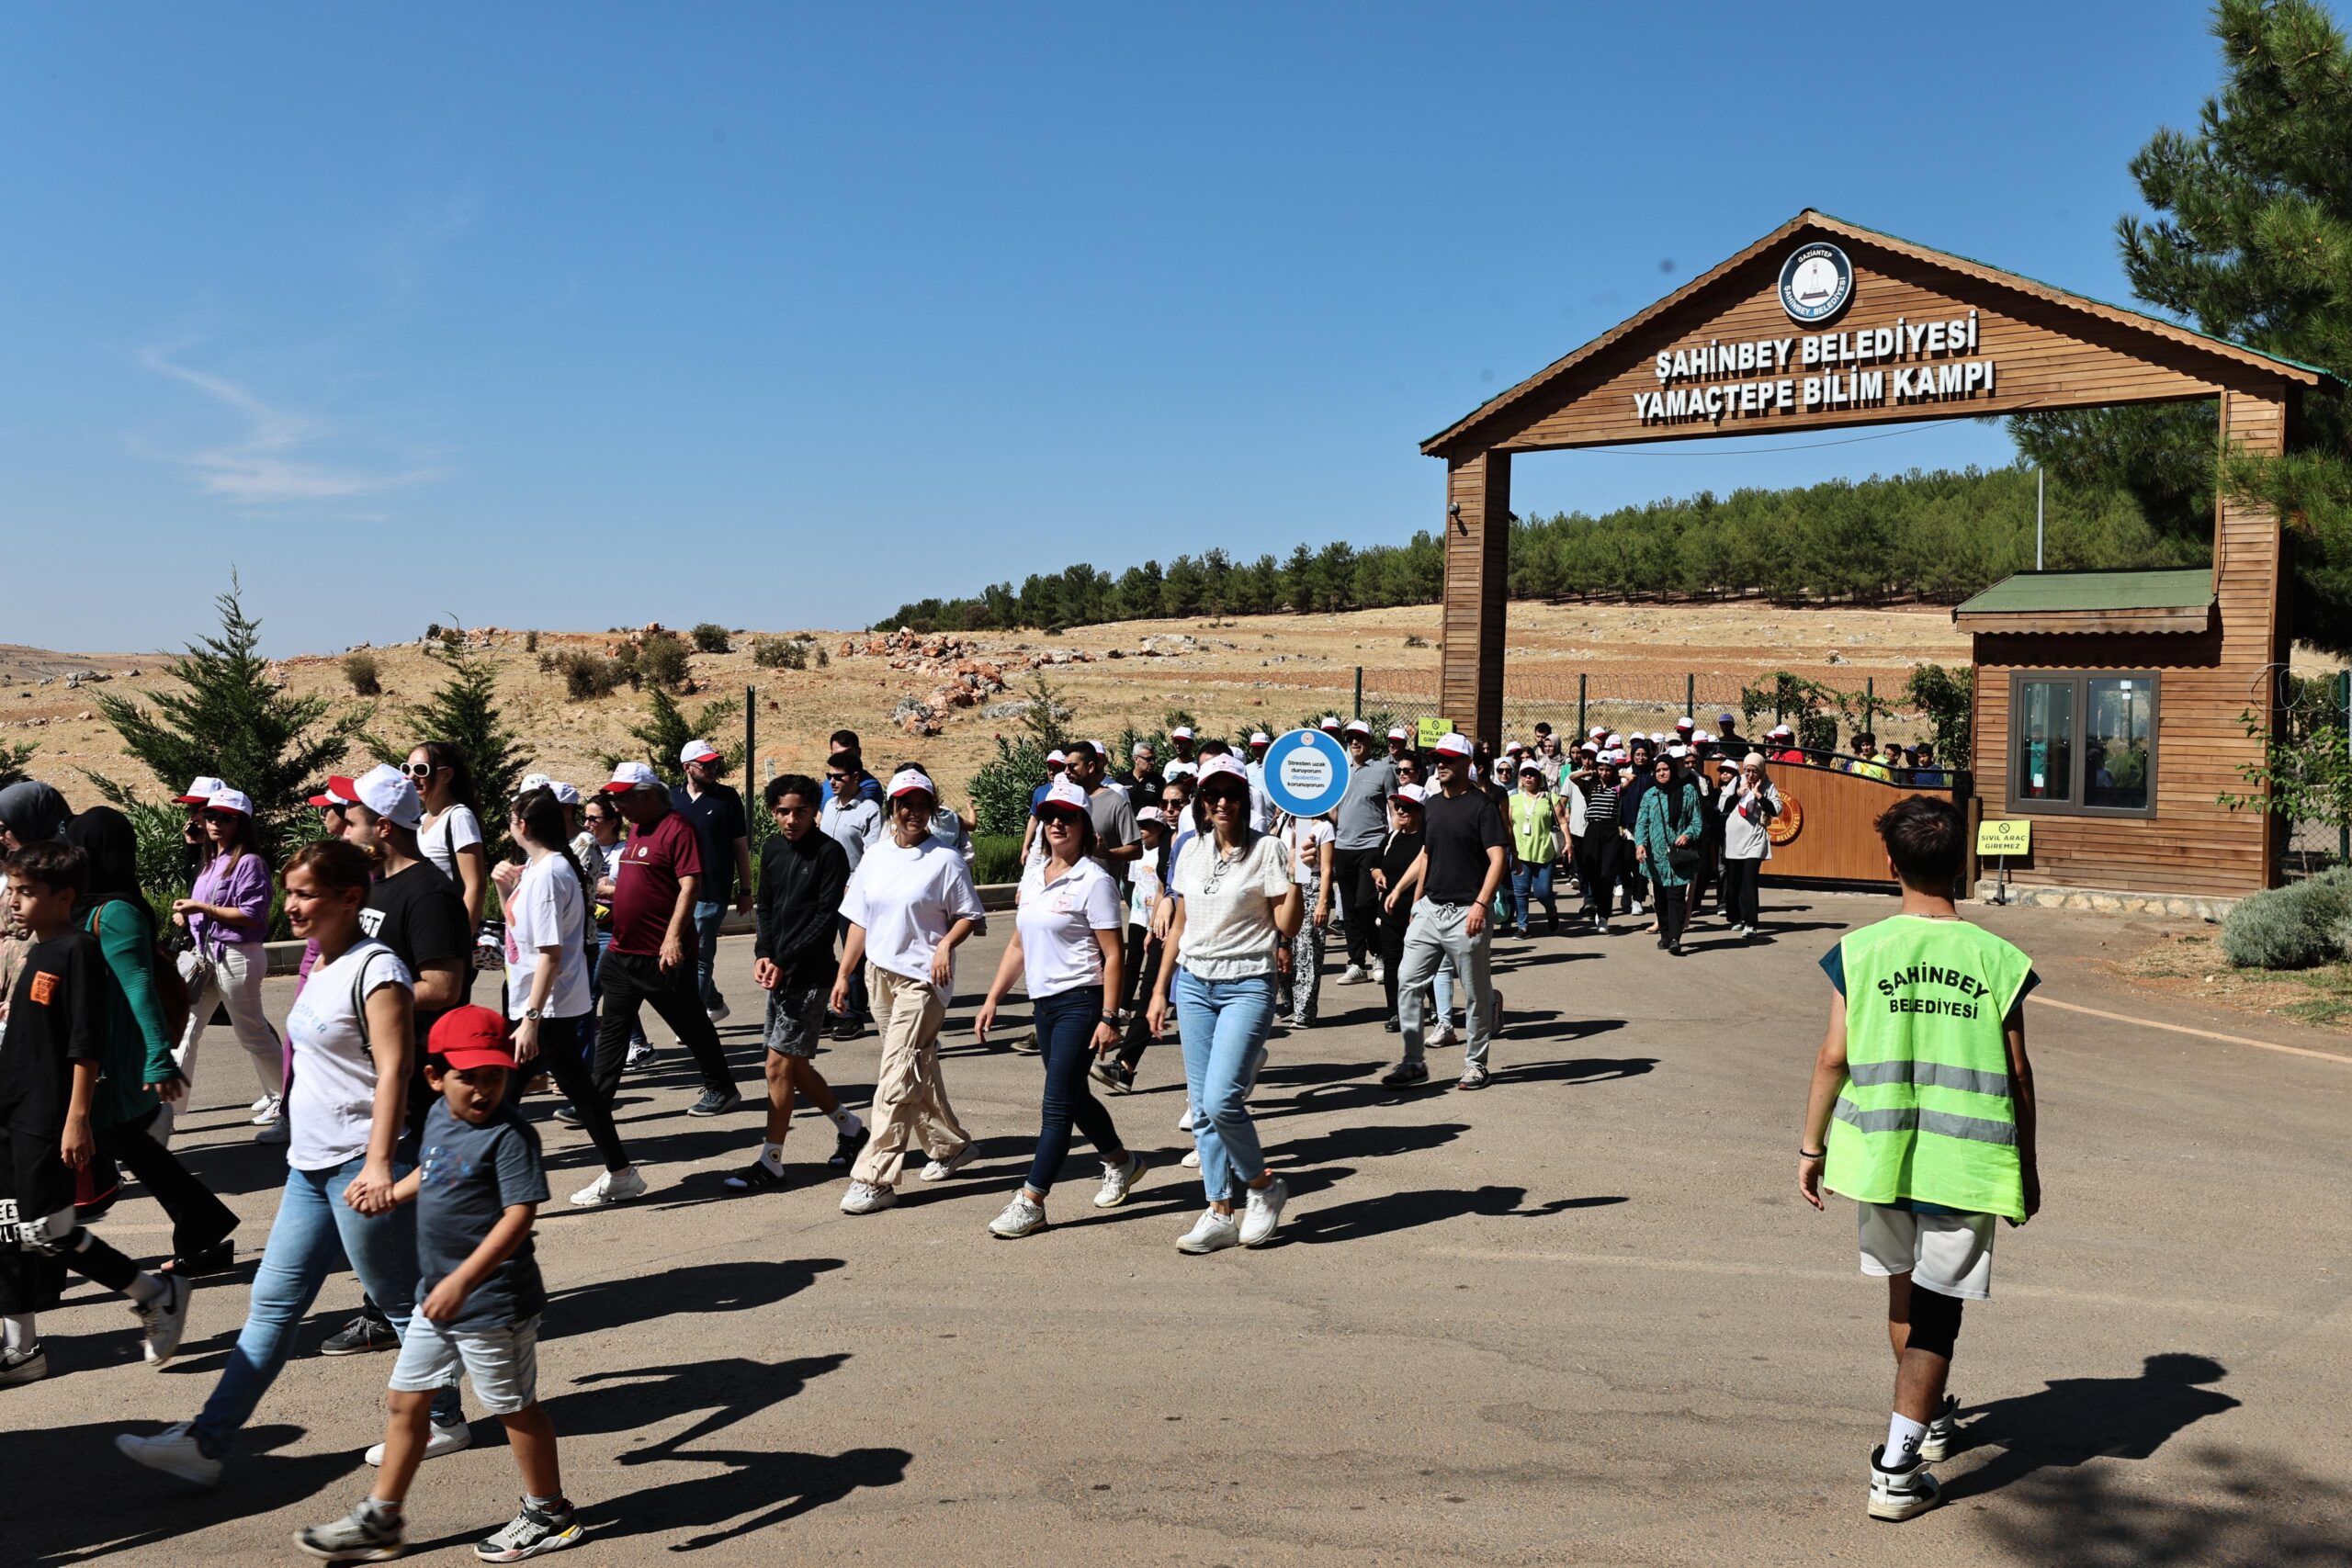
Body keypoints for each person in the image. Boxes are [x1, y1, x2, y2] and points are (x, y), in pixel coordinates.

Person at [117, 838, 469, 1487]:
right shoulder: (326, 964)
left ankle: (445, 1414)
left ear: (349, 898)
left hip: (359, 1168)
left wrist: (379, 1162)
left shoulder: (378, 968)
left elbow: (393, 1069)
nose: (293, 905)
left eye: (308, 893)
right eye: (292, 891)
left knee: (399, 1301)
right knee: (273, 1303)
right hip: (310, 1169)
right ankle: (208, 1440)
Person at [1799, 797, 2041, 1522]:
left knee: (1905, 1291)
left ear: (1889, 864)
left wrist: (1812, 1148)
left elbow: (1832, 1056)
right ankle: (1897, 1467)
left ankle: (1927, 1419)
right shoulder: (1998, 959)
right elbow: (2019, 1075)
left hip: (1880, 1155)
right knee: (1940, 1312)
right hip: (1963, 1163)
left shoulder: (1860, 951)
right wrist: (2024, 1165)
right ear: (1963, 861)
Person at [297, 1007, 583, 1562]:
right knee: (407, 1402)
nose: (482, 1090)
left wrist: (464, 1281)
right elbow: (434, 1170)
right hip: (440, 1296)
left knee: (513, 1409)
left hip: (494, 1303)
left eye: (494, 1076)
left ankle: (550, 1512)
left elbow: (518, 1216)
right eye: (468, 1077)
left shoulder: (510, 1136)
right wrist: (389, 1194)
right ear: (435, 1077)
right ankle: (382, 1519)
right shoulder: (439, 1119)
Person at [0, 840, 196, 1387]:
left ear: (65, 896)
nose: (14, 902)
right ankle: (20, 1350)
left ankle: (155, 1293)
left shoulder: (77, 951)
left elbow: (85, 1045)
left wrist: (77, 1117)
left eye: (27, 892)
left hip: (48, 1113)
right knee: (8, 1228)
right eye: (12, 890)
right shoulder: (35, 950)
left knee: (47, 1229)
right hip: (11, 1107)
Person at [65, 809, 239, 1283]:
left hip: (114, 1060)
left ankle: (44, 1264)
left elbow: (138, 984)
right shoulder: (89, 902)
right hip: (99, 1053)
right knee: (138, 1152)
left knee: (109, 1149)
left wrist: (160, 1055)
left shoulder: (116, 912)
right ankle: (203, 1232)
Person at [974, 780, 1145, 1238]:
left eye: (1066, 817)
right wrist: (993, 997)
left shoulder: (1095, 881)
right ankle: (1121, 1162)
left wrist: (1111, 1017)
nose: (1055, 824)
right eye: (1049, 816)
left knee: (1055, 1105)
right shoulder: (1034, 876)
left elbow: (1114, 955)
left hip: (1082, 1003)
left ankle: (1032, 1200)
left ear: (1084, 825)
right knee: (1074, 1096)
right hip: (1044, 1003)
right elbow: (1017, 944)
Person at [1145, 755, 1299, 1252]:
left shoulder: (1269, 849)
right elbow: (1182, 925)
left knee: (1220, 1100)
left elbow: (1288, 926)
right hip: (1193, 985)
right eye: (1213, 794)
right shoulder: (1189, 850)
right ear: (1202, 802)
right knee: (1203, 1109)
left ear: (1244, 799)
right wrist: (1158, 991)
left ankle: (1263, 1186)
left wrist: (1298, 875)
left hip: (1247, 985)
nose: (1223, 803)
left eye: (1232, 793)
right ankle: (1218, 1211)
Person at [833, 769, 986, 1215]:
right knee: (915, 1067)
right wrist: (844, 974)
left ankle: (875, 1177)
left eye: (921, 803)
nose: (912, 811)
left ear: (932, 807)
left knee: (896, 1073)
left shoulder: (946, 859)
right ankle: (951, 1145)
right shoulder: (876, 857)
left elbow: (968, 915)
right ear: (892, 808)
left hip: (924, 980)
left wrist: (945, 944)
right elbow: (860, 921)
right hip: (879, 975)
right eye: (904, 803)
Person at [725, 773, 869, 1193]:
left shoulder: (830, 853)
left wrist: (784, 961)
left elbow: (827, 918)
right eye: (783, 812)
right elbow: (766, 908)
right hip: (780, 973)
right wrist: (763, 953)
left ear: (814, 811)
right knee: (794, 1065)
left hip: (810, 976)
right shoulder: (771, 849)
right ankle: (853, 1129)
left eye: (800, 811)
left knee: (777, 1065)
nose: (791, 820)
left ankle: (771, 1161)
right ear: (773, 813)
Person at [504, 786, 643, 1209]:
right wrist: (503, 887)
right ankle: (621, 1173)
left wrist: (530, 1019)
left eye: (511, 819)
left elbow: (550, 952)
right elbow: (516, 933)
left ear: (523, 825)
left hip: (546, 1006)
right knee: (580, 1091)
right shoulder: (539, 866)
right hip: (546, 1003)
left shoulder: (549, 874)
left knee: (500, 1095)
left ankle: (492, 1188)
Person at [592, 762, 742, 1119]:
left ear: (646, 796)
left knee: (690, 1024)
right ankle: (595, 1101)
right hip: (622, 951)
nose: (617, 806)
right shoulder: (637, 830)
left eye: (623, 798)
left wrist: (673, 937)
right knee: (614, 1029)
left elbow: (690, 884)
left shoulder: (677, 828)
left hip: (661, 953)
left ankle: (722, 1088)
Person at [153, 787, 289, 1143]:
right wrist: (190, 917)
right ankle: (164, 1113)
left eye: (223, 817)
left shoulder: (249, 863)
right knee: (185, 1030)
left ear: (241, 823)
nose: (213, 822)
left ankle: (291, 1105)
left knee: (252, 1033)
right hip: (207, 957)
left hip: (237, 956)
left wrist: (202, 910)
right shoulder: (212, 859)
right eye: (210, 815)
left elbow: (252, 914)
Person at [1382, 734, 1507, 1090]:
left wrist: (1482, 904)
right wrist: (1403, 890)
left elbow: (1498, 858)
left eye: (1449, 759)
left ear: (1467, 763)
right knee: (1408, 981)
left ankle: (1475, 1064)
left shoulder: (1482, 806)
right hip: (1431, 910)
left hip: (1468, 911)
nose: (1441, 763)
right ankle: (1412, 1062)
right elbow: (1426, 855)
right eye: (1438, 758)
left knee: (1474, 991)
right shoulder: (1432, 805)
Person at [669, 739, 755, 1026]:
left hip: (711, 893)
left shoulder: (727, 798)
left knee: (701, 958)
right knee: (683, 958)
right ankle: (714, 1002)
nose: (712, 768)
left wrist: (745, 890)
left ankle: (691, 1022)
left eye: (714, 763)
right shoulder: (671, 800)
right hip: (675, 894)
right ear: (687, 768)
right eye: (705, 764)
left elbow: (740, 847)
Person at [575, 793, 652, 1069]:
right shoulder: (583, 847)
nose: (587, 823)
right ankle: (639, 1044)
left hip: (617, 928)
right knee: (613, 990)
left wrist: (606, 889)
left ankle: (585, 1060)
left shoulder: (624, 850)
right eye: (584, 817)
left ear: (612, 821)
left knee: (593, 993)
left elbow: (640, 892)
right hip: (590, 928)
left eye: (593, 818)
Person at [821, 751, 888, 1038]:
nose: (833, 782)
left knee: (855, 953)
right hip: (825, 891)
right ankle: (832, 1004)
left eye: (839, 777)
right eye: (829, 777)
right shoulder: (830, 807)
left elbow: (872, 855)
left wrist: (852, 882)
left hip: (853, 892)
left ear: (856, 778)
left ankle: (853, 1014)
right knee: (824, 950)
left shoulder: (869, 810)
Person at [1330, 718, 1397, 986]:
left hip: (1372, 845)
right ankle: (1356, 962)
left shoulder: (1383, 770)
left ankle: (1378, 954)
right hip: (1342, 846)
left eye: (1360, 737)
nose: (1354, 742)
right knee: (1348, 907)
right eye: (1350, 738)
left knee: (1365, 903)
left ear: (1370, 741)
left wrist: (1393, 841)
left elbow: (1393, 809)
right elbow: (1331, 806)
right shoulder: (1338, 770)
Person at [408, 742, 489, 935]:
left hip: (448, 933)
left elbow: (475, 885)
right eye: (407, 769)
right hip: (425, 930)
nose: (411, 777)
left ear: (447, 775)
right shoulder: (421, 820)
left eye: (421, 770)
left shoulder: (459, 817)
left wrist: (462, 940)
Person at [1369, 785, 1427, 1033]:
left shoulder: (1427, 839)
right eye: (1398, 806)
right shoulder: (1392, 836)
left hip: (1419, 913)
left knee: (1424, 964)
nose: (1400, 811)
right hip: (1390, 912)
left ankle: (1435, 1007)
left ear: (1420, 811)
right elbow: (1373, 862)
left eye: (1407, 807)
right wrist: (1378, 873)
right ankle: (1396, 1012)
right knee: (1393, 963)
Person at [1633, 755, 1703, 956]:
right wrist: (1640, 844)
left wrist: (1687, 834)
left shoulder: (1687, 790)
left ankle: (1675, 938)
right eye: (1658, 770)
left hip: (1679, 855)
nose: (1662, 773)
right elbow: (1642, 823)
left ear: (1673, 770)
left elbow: (1697, 821)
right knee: (1660, 898)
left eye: (1665, 769)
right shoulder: (1650, 795)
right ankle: (1665, 933)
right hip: (1656, 858)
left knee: (1677, 897)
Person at [1274, 806, 1334, 1029]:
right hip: (1287, 886)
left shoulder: (1324, 827)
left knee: (1308, 953)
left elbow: (1327, 869)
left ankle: (1304, 1012)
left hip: (1312, 886)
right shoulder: (1285, 822)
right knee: (1283, 947)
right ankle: (1289, 1002)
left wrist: (1323, 903)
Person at [1718, 753, 1781, 938]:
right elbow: (1723, 805)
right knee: (1734, 881)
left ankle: (1751, 922)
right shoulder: (1737, 781)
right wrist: (1739, 793)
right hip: (1735, 839)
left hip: (1755, 839)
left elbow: (1776, 810)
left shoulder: (1768, 786)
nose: (1751, 775)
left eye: (1755, 771)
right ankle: (1737, 917)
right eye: (1748, 771)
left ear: (1762, 770)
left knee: (1749, 880)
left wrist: (1759, 795)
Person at [1064, 742, 1140, 885]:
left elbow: (1136, 850)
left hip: (1100, 893)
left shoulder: (1115, 802)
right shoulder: (1064, 802)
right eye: (1065, 766)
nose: (1066, 771)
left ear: (1091, 767)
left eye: (1072, 766)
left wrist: (1106, 853)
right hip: (1064, 894)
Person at [1507, 761, 1567, 938]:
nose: (1528, 777)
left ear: (1539, 777)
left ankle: (1551, 910)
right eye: (1524, 774)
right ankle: (1523, 926)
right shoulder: (1513, 800)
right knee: (1521, 892)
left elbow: (1562, 821)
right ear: (1520, 777)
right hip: (1520, 853)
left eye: (1532, 774)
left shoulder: (1550, 798)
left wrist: (1568, 843)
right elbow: (1508, 826)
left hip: (1544, 853)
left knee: (1543, 892)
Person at [1575, 754, 1623, 932]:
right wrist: (1592, 772)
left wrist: (1618, 775)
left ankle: (1604, 915)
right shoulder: (1590, 786)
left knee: (1608, 874)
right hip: (1592, 829)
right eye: (1601, 769)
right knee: (1593, 873)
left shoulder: (1617, 787)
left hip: (1610, 830)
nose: (1604, 773)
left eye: (1608, 769)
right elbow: (1573, 777)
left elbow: (1631, 778)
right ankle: (1597, 905)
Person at [1017, 749, 1069, 867]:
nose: (1051, 771)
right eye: (1049, 767)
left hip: (1061, 840)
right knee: (1029, 877)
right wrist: (1025, 847)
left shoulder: (1071, 791)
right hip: (1040, 842)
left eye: (1055, 767)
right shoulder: (1040, 791)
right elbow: (1034, 818)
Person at [1120, 742, 1163, 814]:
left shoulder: (1159, 781)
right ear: (1136, 759)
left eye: (1154, 759)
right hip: (1128, 824)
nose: (1153, 763)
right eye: (1148, 759)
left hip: (1150, 824)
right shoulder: (1122, 780)